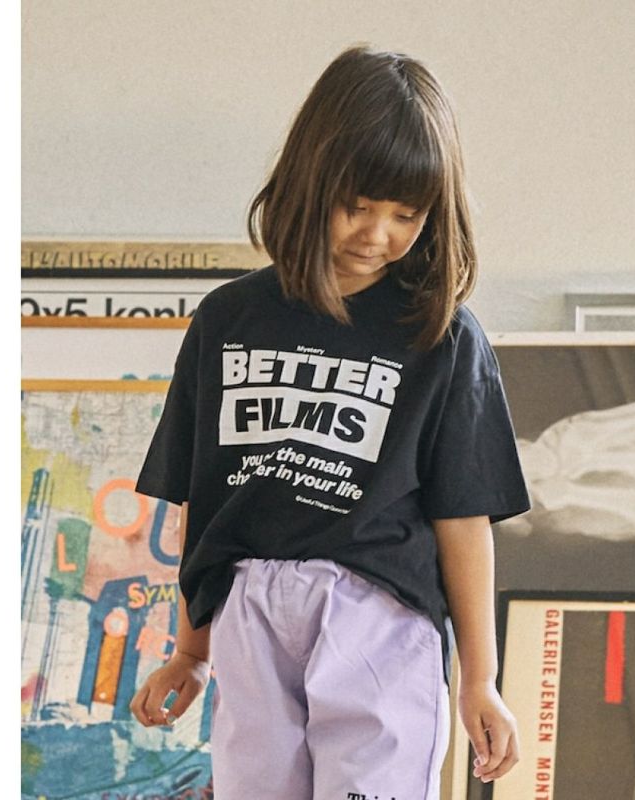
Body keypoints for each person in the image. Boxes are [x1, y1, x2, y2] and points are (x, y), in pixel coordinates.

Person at [129, 44, 531, 799]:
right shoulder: (228, 319)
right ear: (313, 180)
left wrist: (480, 677)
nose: (377, 233)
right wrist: (191, 650)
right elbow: (203, 501)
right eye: (359, 205)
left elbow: (463, 518)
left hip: (378, 614)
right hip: (249, 609)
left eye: (405, 214)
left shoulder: (442, 336)